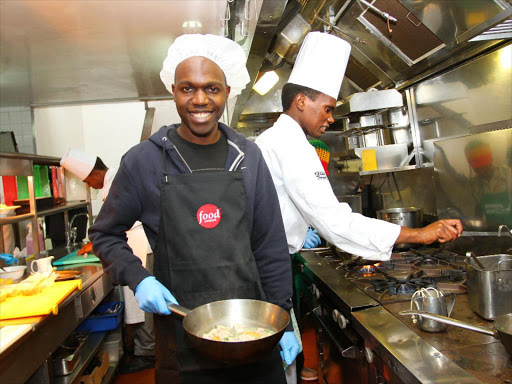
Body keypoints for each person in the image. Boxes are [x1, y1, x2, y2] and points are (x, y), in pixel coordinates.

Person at [88, 34, 299, 383]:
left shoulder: (248, 157)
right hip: (182, 333)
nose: (200, 100)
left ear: (227, 92)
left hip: (255, 332)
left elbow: (270, 246)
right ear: (173, 91)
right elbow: (105, 234)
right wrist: (139, 280)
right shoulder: (144, 161)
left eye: (212, 89)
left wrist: (284, 319)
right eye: (188, 89)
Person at [256, 31, 463, 273]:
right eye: (327, 109)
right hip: (271, 266)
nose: (331, 118)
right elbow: (335, 223)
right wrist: (420, 234)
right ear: (301, 102)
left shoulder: (274, 138)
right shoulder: (292, 146)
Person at [60, 149, 156, 373]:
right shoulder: (110, 182)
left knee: (144, 300)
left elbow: (118, 221)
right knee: (139, 302)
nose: (90, 185)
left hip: (140, 246)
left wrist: (99, 241)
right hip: (131, 246)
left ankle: (148, 352)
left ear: (95, 173)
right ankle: (142, 348)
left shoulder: (118, 179)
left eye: (87, 180)